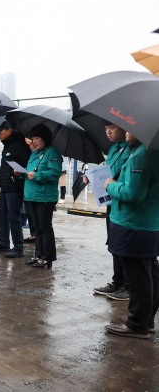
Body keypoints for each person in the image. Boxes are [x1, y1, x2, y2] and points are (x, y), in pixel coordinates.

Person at [103, 131, 159, 339]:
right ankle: (146, 319)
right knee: (149, 273)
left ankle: (138, 324)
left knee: (138, 278)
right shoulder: (147, 151)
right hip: (147, 224)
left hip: (134, 225)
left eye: (129, 128)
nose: (125, 131)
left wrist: (110, 185)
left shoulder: (142, 155)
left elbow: (133, 194)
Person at [92, 123, 131, 300]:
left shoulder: (131, 150)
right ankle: (118, 281)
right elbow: (110, 171)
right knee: (114, 243)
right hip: (111, 202)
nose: (108, 131)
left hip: (121, 201)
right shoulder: (114, 148)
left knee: (124, 246)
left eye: (112, 128)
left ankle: (128, 286)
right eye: (105, 127)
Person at [17, 124, 62, 269]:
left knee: (44, 227)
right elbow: (29, 172)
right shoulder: (35, 153)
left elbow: (55, 173)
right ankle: (38, 255)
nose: (34, 141)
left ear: (45, 138)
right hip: (32, 195)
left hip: (44, 197)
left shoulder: (52, 153)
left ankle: (47, 257)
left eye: (37, 138)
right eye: (33, 138)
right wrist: (21, 173)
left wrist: (37, 175)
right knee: (36, 228)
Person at [0, 121, 31, 258]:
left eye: (0, 131)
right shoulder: (8, 146)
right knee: (2, 216)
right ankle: (4, 242)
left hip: (15, 187)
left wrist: (17, 175)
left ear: (8, 130)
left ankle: (18, 246)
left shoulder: (20, 146)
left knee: (14, 217)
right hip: (5, 187)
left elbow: (25, 165)